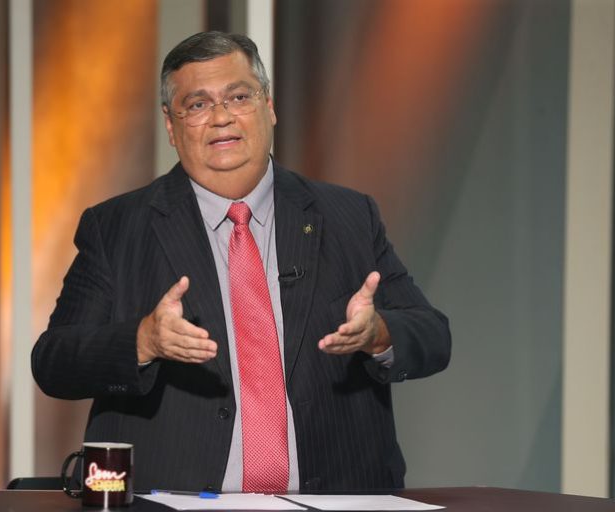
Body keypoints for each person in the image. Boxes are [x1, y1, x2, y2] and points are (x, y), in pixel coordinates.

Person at [32, 31, 451, 493]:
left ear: (268, 106)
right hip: (172, 499)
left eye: (238, 97)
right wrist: (142, 341)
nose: (222, 117)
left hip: (337, 496)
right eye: (197, 104)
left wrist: (379, 334)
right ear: (170, 125)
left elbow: (433, 336)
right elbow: (54, 362)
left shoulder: (348, 215)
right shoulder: (115, 227)